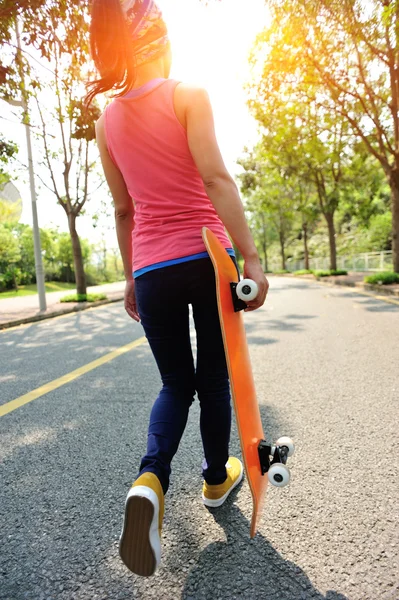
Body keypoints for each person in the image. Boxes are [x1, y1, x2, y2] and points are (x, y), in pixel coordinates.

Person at [87, 0, 269, 578]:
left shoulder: (106, 121)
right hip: (207, 259)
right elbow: (215, 177)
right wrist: (254, 259)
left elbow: (123, 210)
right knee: (213, 378)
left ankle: (150, 479)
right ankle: (217, 479)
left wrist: (131, 277)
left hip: (152, 269)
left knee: (175, 383)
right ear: (163, 42)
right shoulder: (188, 94)